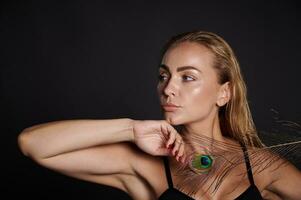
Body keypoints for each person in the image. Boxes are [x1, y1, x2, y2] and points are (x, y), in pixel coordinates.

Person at [18, 31, 301, 200]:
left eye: (187, 77)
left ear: (223, 93)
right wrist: (130, 129)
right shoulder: (143, 164)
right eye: (163, 76)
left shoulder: (263, 165)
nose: (168, 89)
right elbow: (33, 143)